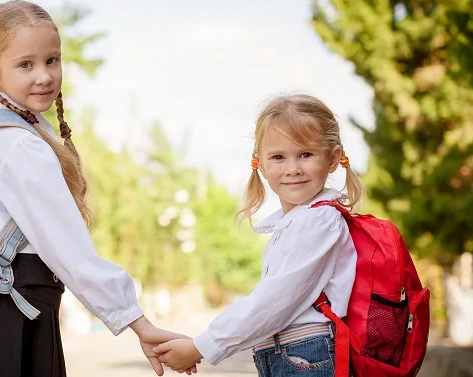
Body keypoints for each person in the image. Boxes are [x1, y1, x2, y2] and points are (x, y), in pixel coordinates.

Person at [0, 2, 197, 376]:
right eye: (25, 64)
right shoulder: (19, 145)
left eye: (52, 60)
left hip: (11, 315)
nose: (44, 76)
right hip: (19, 320)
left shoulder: (0, 133)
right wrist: (140, 324)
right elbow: (71, 252)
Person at [154, 94, 364, 377]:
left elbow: (275, 301)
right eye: (279, 157)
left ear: (333, 158)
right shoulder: (296, 223)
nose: (293, 169)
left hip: (307, 357)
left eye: (306, 154)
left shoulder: (320, 220)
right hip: (293, 356)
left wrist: (201, 347)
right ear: (260, 164)